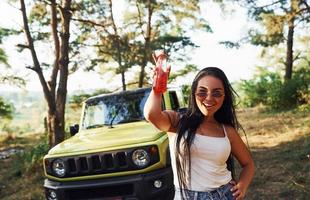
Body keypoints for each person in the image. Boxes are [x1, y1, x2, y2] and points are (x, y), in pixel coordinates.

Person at [144, 66, 255, 200]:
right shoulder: (177, 122)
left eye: (217, 93)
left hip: (224, 194)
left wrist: (242, 186)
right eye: (202, 92)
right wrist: (158, 86)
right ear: (193, 93)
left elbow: (248, 164)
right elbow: (152, 115)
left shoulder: (227, 131)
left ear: (224, 97)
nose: (209, 98)